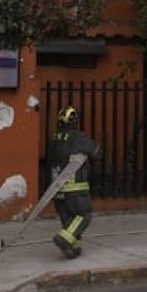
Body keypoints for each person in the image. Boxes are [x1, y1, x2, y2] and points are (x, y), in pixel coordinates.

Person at [47, 105, 102, 258]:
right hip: (75, 188)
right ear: (74, 121)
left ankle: (73, 249)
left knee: (69, 221)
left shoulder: (53, 138)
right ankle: (63, 240)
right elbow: (97, 153)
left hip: (56, 189)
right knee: (84, 215)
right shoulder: (78, 137)